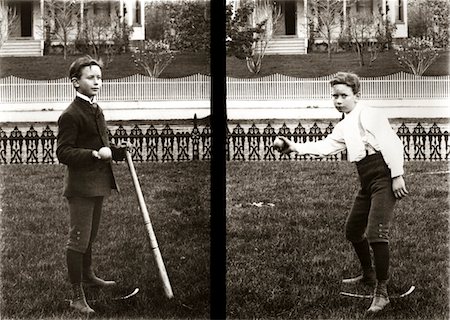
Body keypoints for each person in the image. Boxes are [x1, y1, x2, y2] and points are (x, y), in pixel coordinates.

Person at [275, 72, 408, 314]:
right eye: (334, 96)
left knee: (377, 233)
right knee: (353, 230)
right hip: (366, 179)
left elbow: (391, 143)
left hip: (384, 175)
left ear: (356, 95)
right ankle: (368, 274)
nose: (338, 100)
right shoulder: (345, 124)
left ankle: (382, 292)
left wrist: (397, 175)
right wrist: (295, 147)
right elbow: (326, 146)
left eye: (343, 95)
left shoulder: (370, 114)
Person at [57, 55, 127, 314]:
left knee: (90, 237)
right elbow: (63, 153)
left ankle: (88, 275)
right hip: (80, 187)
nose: (97, 82)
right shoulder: (71, 114)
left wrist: (117, 151)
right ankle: (76, 296)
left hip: (98, 183)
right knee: (78, 240)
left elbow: (102, 143)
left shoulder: (96, 109)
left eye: (99, 77)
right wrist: (95, 155)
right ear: (76, 83)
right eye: (91, 78)